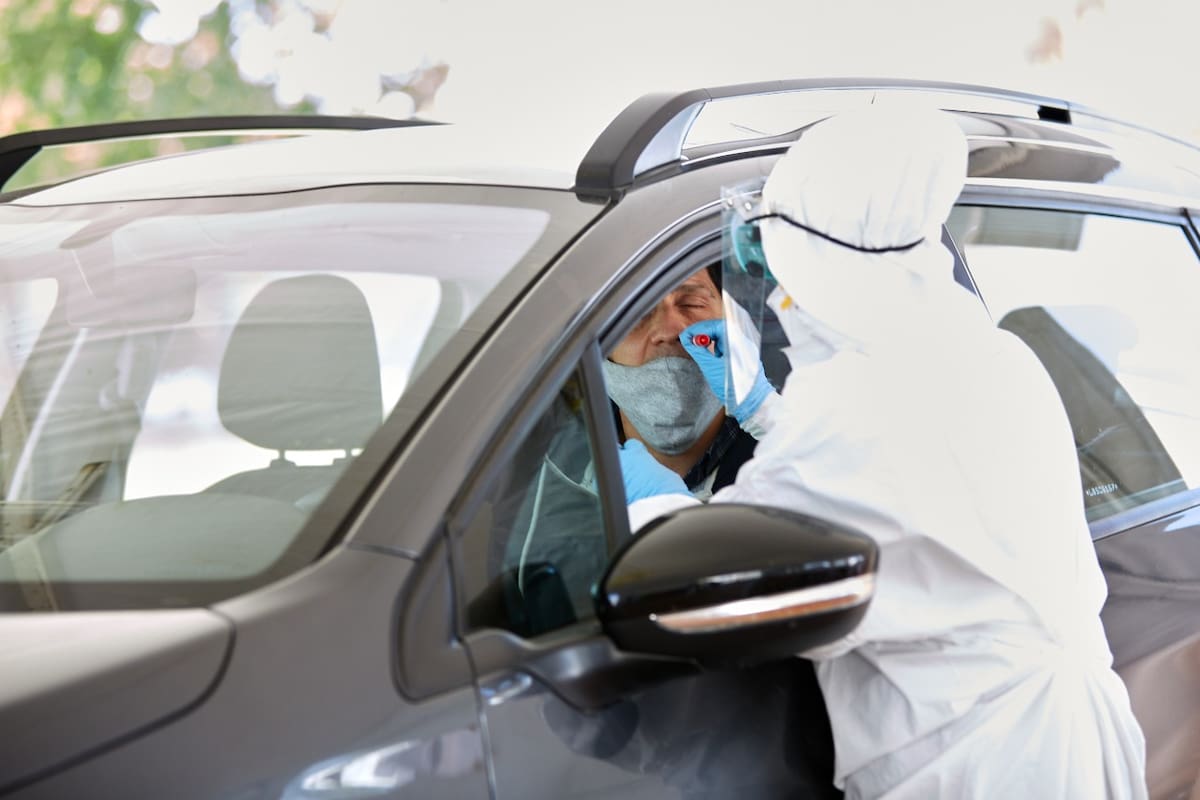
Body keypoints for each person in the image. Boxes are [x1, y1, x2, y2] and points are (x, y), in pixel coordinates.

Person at [619, 105, 1149, 799]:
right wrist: (769, 415)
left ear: (823, 262)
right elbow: (898, 488)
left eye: (772, 261)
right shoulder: (984, 356)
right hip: (1054, 739)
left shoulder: (852, 412)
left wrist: (645, 499)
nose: (774, 293)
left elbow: (734, 573)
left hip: (982, 765)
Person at [603, 264, 778, 501]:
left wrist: (765, 412)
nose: (668, 330)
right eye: (636, 312)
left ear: (733, 323)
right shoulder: (557, 454)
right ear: (602, 347)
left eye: (693, 304)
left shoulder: (785, 462)